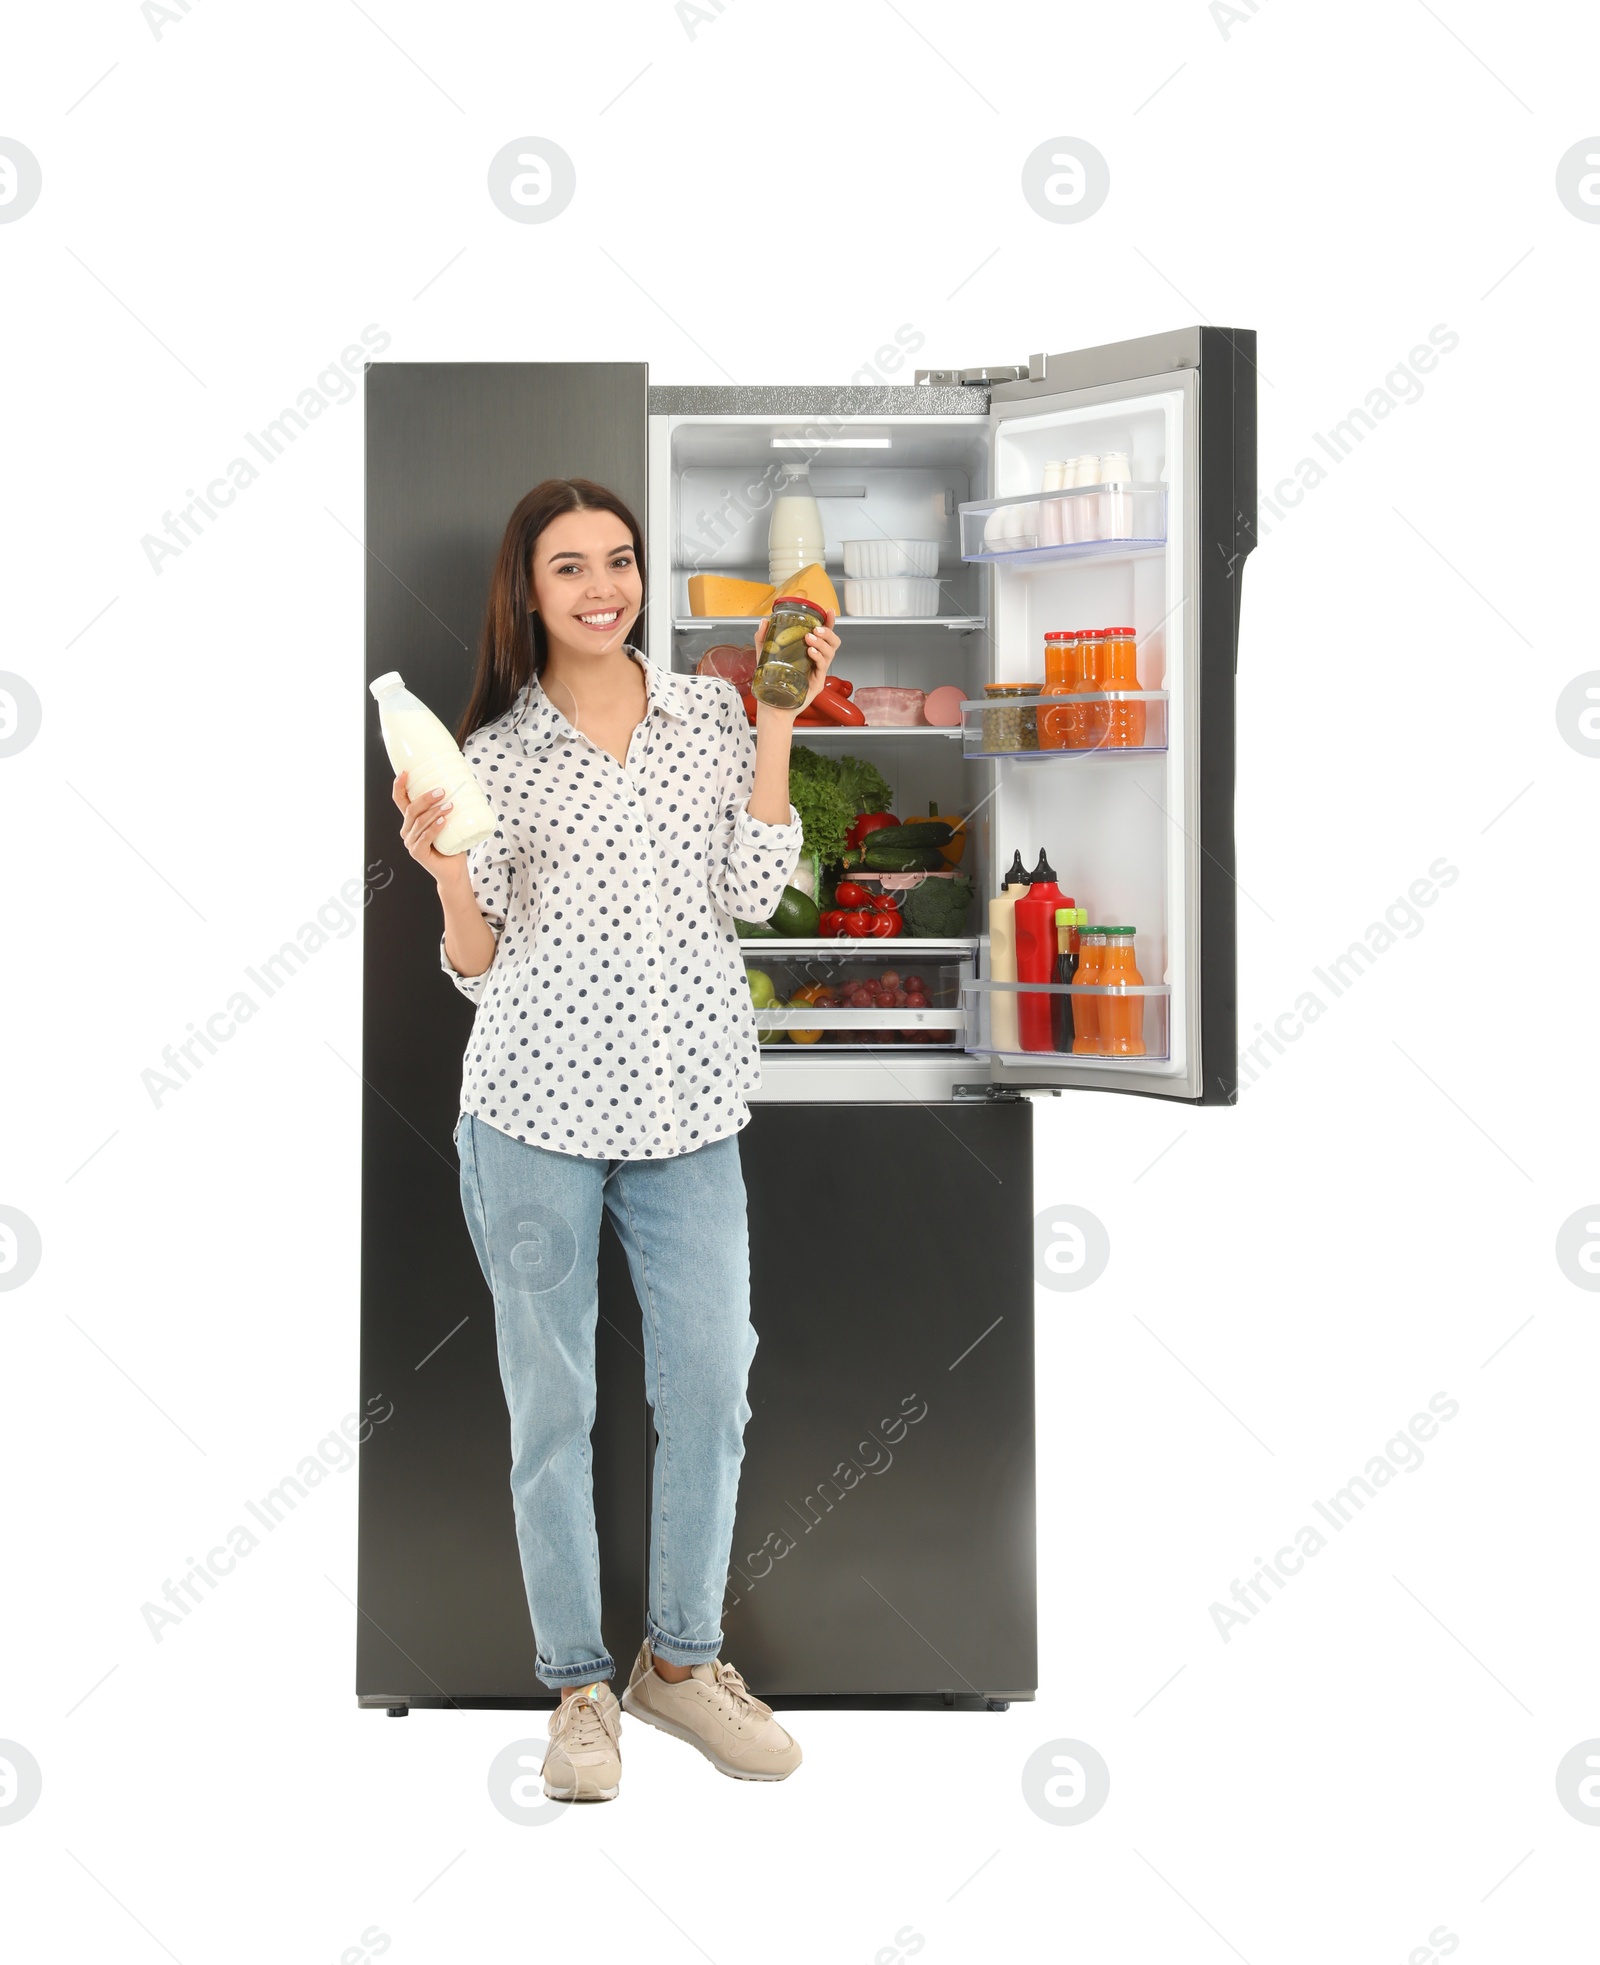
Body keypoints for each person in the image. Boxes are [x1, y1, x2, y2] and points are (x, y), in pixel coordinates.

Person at [392, 477, 838, 1801]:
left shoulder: (711, 710)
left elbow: (757, 888)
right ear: (527, 594)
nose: (603, 586)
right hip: (529, 1110)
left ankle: (682, 1667)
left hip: (688, 1109)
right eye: (570, 567)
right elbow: (475, 968)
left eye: (621, 560)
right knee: (556, 1408)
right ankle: (580, 1689)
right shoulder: (498, 757)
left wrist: (776, 720)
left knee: (710, 1381)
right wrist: (439, 871)